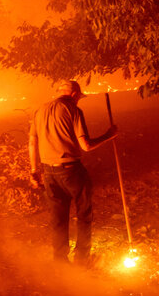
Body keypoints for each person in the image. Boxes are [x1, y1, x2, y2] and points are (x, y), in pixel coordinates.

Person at [28, 80, 117, 266]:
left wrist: (34, 171)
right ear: (75, 95)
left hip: (48, 172)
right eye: (79, 98)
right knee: (84, 213)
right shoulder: (73, 110)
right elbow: (86, 146)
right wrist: (109, 135)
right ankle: (82, 259)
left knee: (58, 218)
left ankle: (60, 260)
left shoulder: (40, 110)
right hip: (71, 170)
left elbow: (32, 143)